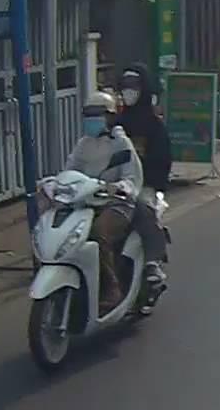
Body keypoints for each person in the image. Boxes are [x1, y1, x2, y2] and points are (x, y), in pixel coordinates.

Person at [62, 91, 144, 316]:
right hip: (86, 203)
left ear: (110, 116)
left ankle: (111, 289)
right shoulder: (84, 144)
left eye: (96, 114)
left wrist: (116, 187)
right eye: (88, 114)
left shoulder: (121, 143)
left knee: (99, 234)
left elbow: (132, 179)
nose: (91, 119)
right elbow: (70, 170)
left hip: (117, 203)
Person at [116, 65, 171, 291]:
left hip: (144, 185)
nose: (128, 91)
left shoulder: (154, 126)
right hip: (114, 185)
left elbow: (162, 161)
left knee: (144, 210)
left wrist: (146, 181)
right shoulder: (116, 123)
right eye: (124, 87)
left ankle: (152, 263)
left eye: (133, 87)